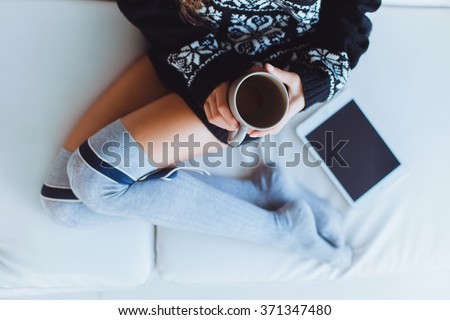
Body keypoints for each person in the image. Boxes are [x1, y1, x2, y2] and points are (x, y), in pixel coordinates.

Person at [40, 0, 381, 269]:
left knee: (93, 181)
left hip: (261, 90)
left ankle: (286, 233)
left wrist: (311, 82)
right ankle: (266, 201)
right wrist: (212, 69)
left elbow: (351, 9)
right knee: (66, 205)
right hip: (190, 49)